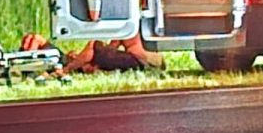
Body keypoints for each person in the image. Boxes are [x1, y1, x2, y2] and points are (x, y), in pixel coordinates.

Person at [21, 32, 164, 75]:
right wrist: (79, 57)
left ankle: (26, 68)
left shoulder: (136, 56)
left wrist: (70, 66)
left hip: (69, 65)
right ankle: (21, 63)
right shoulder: (128, 28)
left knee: (94, 45)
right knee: (33, 39)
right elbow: (111, 46)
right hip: (77, 62)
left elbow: (96, 49)